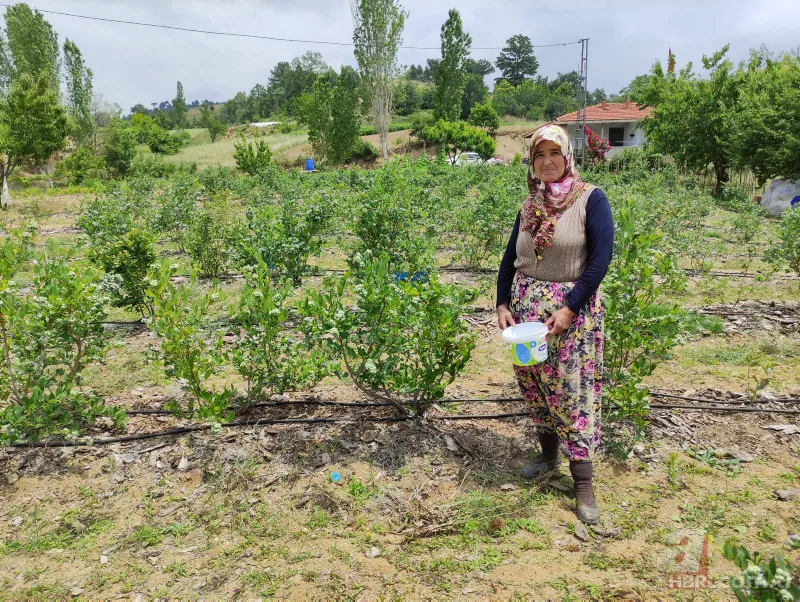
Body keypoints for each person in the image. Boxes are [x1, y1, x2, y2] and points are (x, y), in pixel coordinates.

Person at [496, 125, 614, 524]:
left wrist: (568, 309)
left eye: (554, 153)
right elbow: (510, 258)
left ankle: (583, 484)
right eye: (538, 155)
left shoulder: (590, 199)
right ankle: (548, 458)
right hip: (526, 317)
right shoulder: (529, 206)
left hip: (569, 317)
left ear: (567, 157)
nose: (547, 161)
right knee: (534, 386)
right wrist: (501, 303)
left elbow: (599, 261)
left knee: (571, 394)